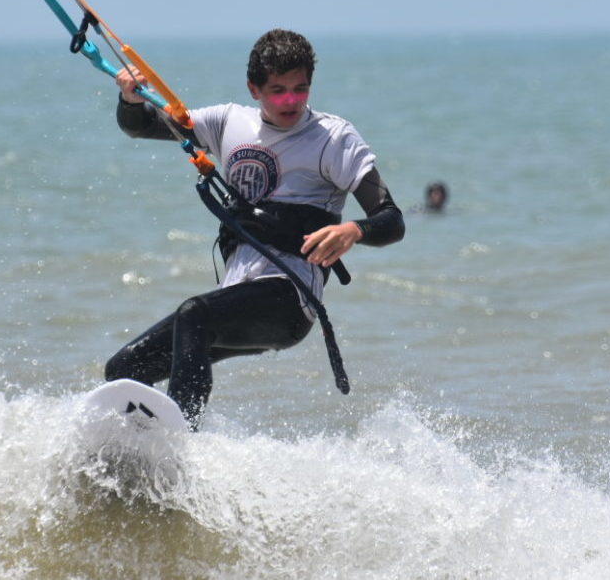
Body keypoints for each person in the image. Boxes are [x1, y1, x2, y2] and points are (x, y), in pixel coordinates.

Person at [104, 28, 405, 428]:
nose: (291, 101)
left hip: (290, 297)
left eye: (300, 89)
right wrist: (129, 96)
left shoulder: (333, 138)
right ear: (254, 89)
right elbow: (140, 125)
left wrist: (354, 230)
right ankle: (142, 461)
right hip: (239, 293)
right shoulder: (227, 122)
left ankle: (181, 443)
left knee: (194, 313)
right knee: (125, 368)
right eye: (278, 90)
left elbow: (392, 218)